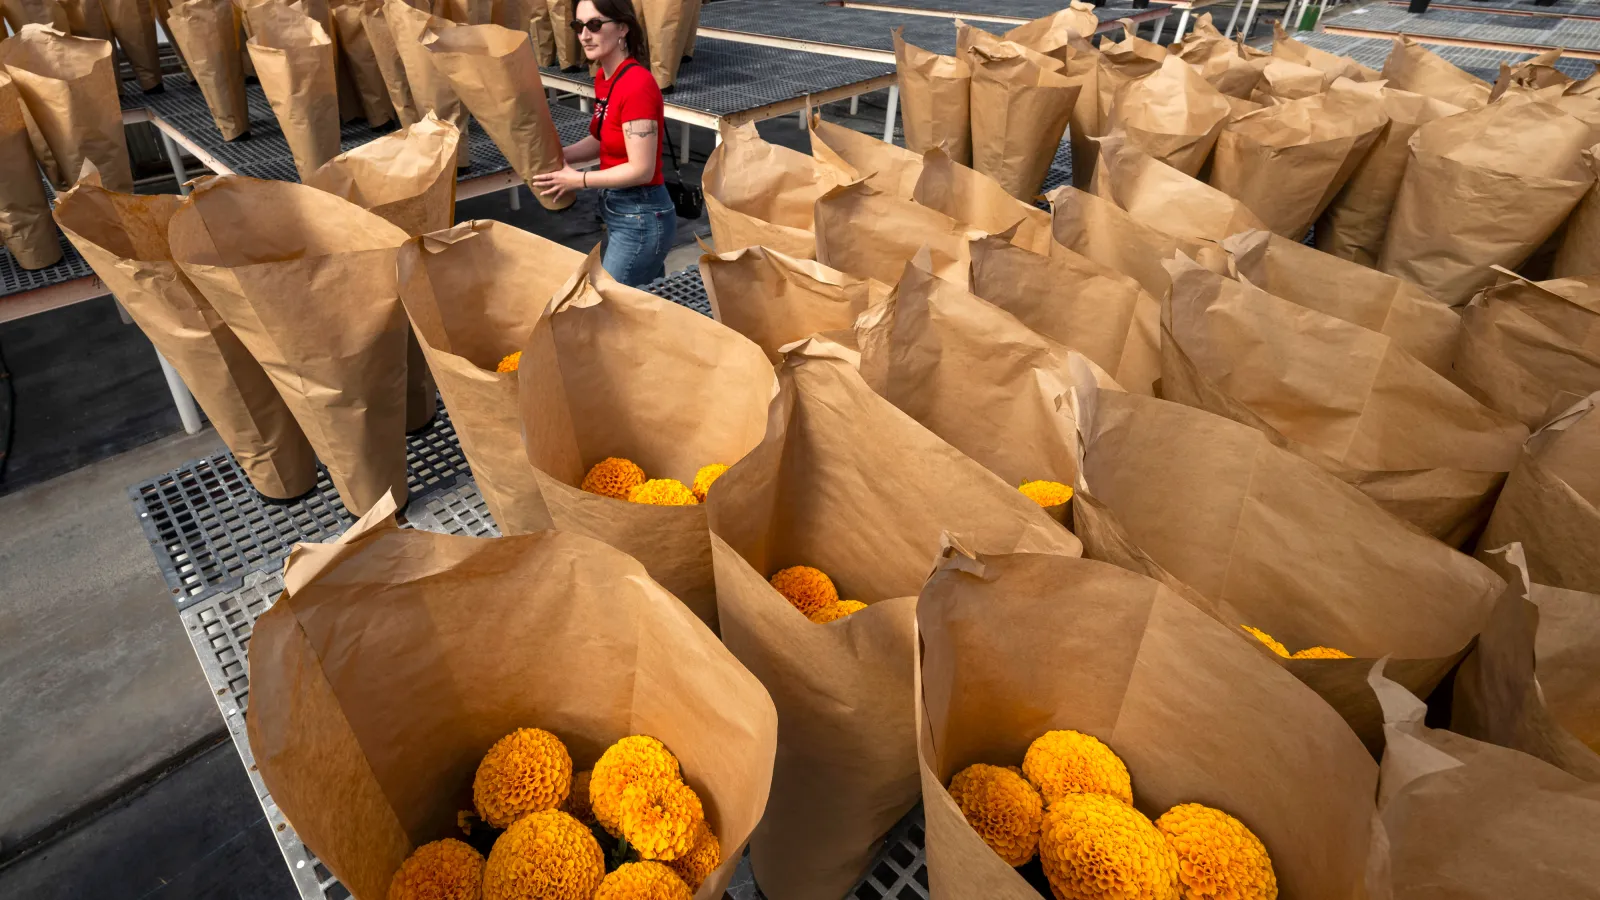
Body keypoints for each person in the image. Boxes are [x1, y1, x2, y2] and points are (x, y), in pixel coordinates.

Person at [531, 0, 677, 287]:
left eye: (595, 25)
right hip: (624, 212)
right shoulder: (605, 77)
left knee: (607, 302)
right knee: (639, 302)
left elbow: (641, 170)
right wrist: (558, 158)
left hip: (641, 215)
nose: (585, 35)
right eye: (578, 26)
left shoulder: (636, 85)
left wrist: (578, 180)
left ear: (622, 27)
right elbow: (603, 140)